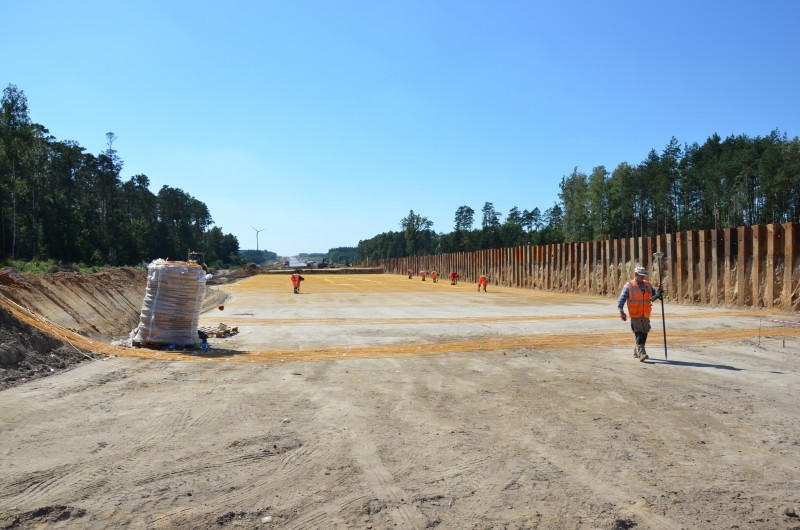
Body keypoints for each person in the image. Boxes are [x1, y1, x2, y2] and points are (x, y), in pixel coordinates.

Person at [618, 266, 663, 362]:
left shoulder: (648, 285)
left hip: (646, 313)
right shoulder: (629, 286)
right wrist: (621, 311)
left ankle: (636, 351)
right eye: (641, 276)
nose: (643, 277)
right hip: (635, 314)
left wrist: (659, 293)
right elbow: (621, 299)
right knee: (638, 332)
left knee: (645, 332)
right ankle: (642, 353)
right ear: (636, 275)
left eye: (644, 276)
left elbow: (653, 297)